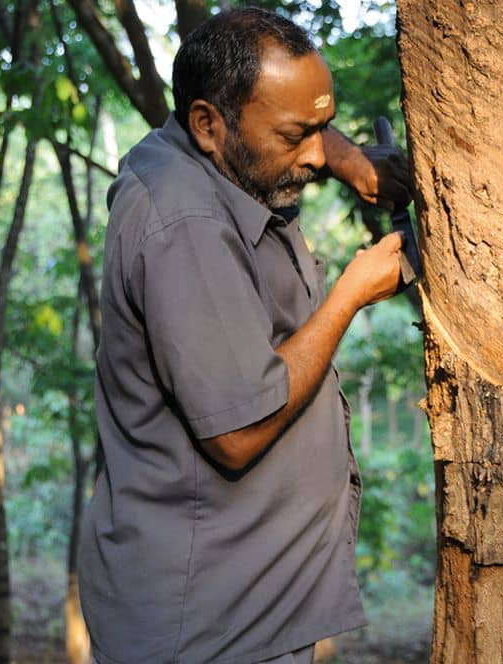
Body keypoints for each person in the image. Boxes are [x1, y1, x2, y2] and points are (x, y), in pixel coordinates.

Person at [78, 7, 411, 663]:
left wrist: (347, 159)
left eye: (324, 126)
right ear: (209, 123)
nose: (315, 152)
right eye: (297, 135)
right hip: (208, 624)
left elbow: (298, 128)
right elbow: (235, 433)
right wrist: (351, 294)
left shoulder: (215, 156)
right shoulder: (185, 226)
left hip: (251, 599)